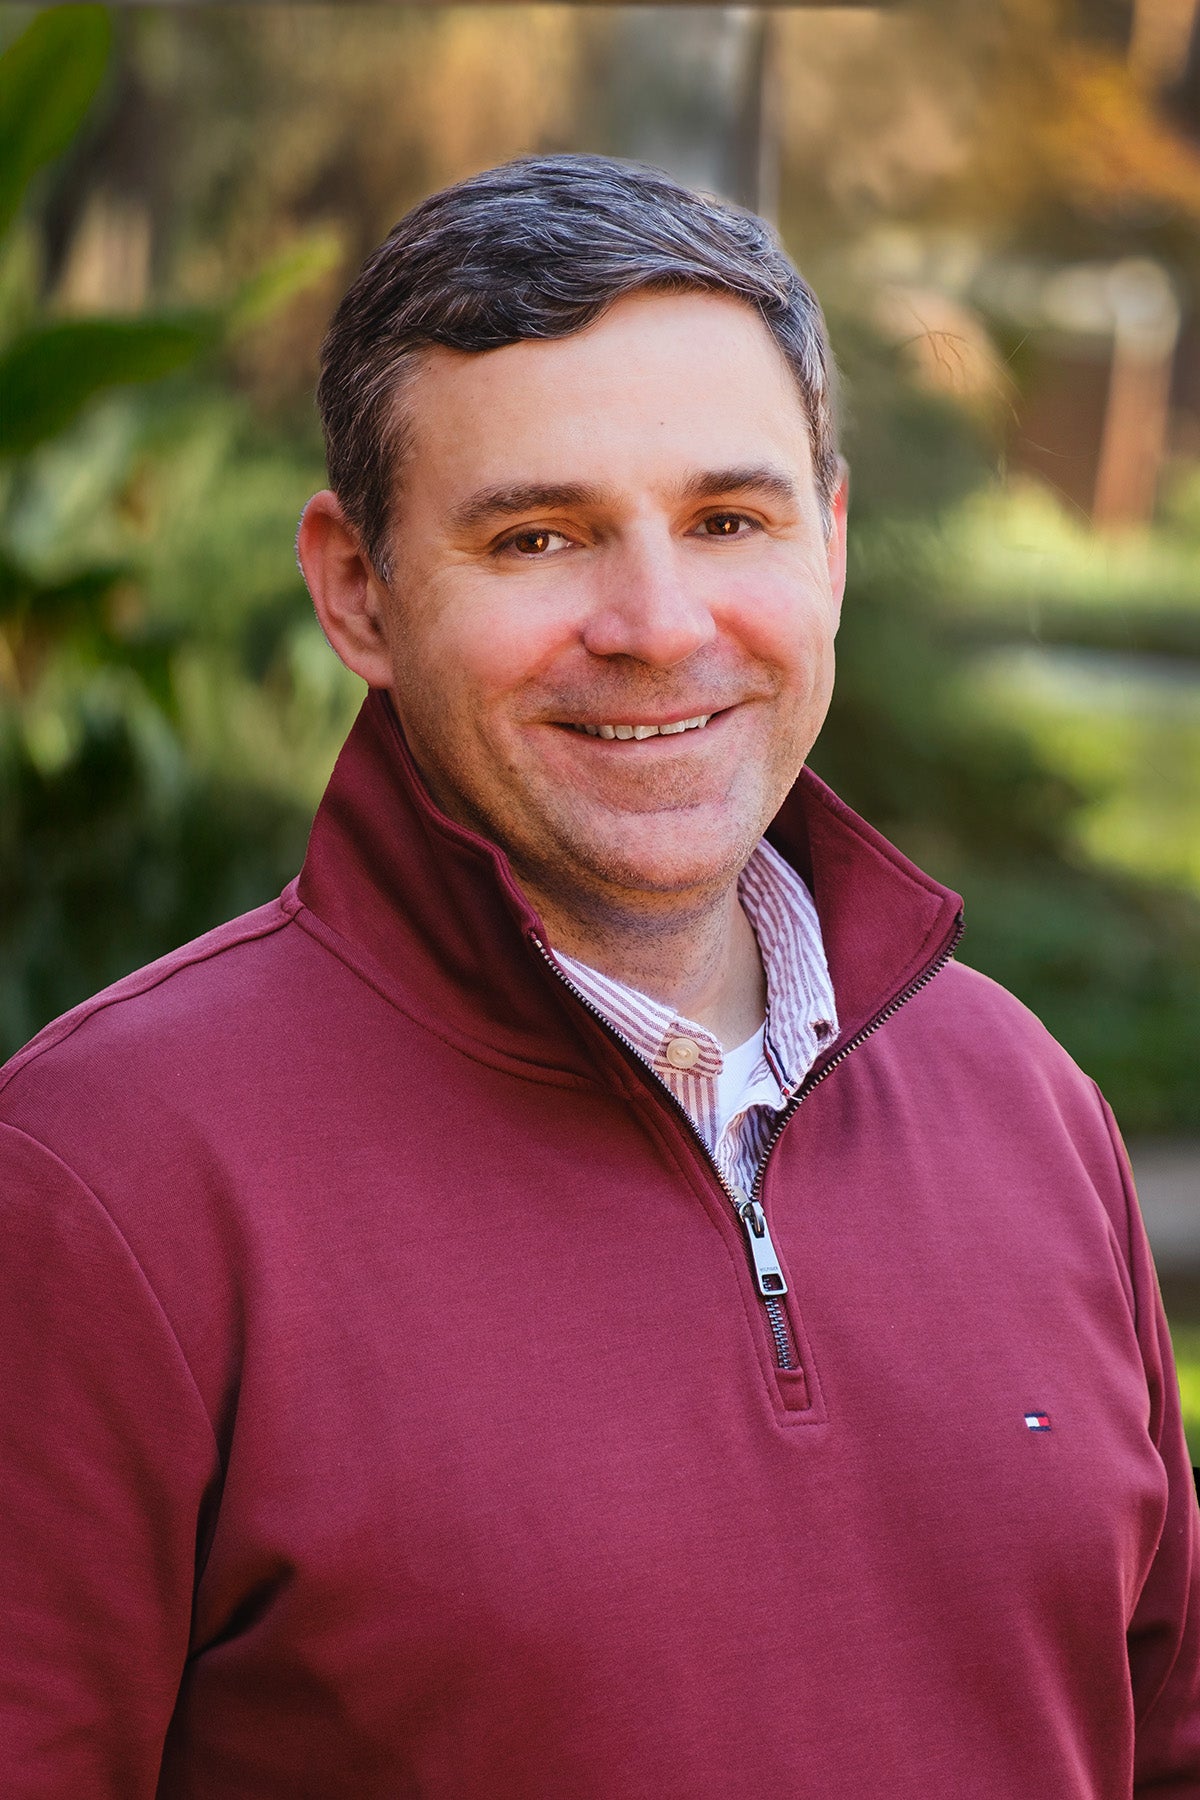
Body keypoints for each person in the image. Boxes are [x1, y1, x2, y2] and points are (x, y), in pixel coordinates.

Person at [1, 154, 1196, 1799]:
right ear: (359, 589)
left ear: (831, 543)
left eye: (728, 519)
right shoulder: (99, 1178)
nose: (654, 622)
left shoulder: (1028, 1104)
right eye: (539, 536)